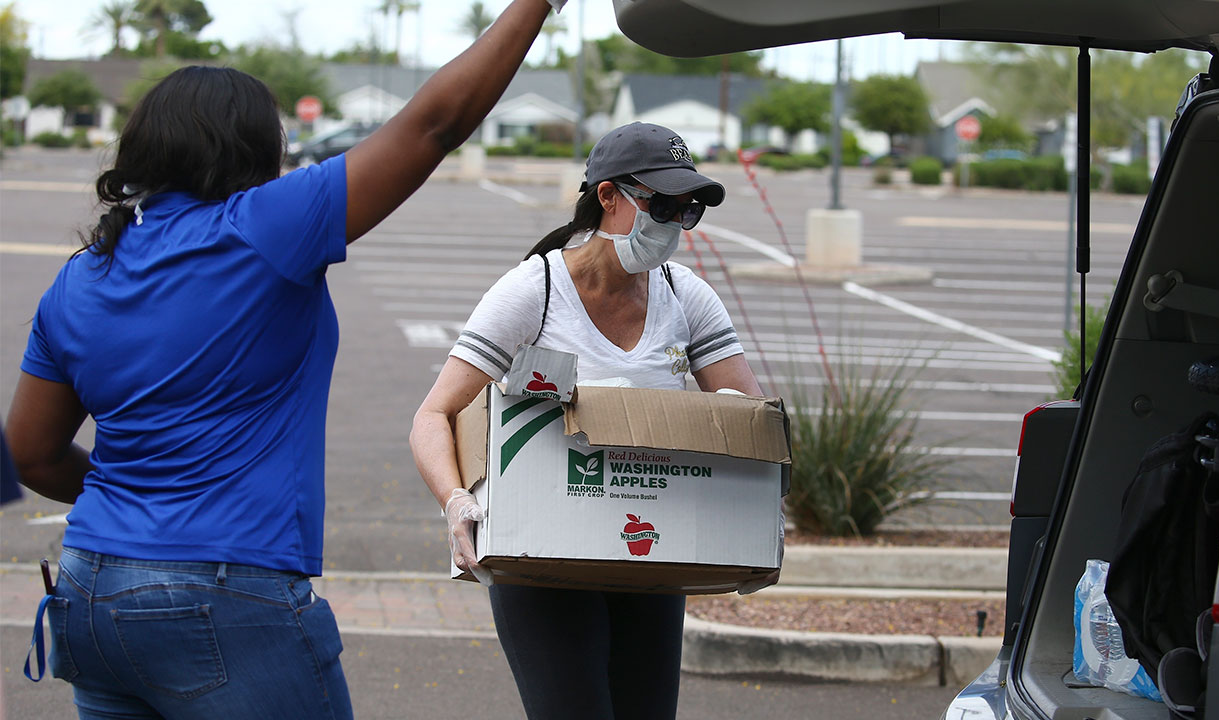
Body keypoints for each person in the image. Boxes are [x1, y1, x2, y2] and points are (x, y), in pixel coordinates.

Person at [4, 1, 563, 717]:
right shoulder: (263, 228)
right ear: (250, 153)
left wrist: (137, 516)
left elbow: (30, 454)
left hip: (89, 593)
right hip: (225, 595)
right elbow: (434, 126)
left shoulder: (80, 275)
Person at [409, 121, 778, 720]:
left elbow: (750, 425)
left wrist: (757, 520)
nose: (674, 223)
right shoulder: (536, 292)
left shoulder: (686, 298)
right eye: (660, 204)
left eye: (687, 211)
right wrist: (455, 502)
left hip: (651, 552)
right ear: (608, 196)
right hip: (542, 561)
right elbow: (434, 413)